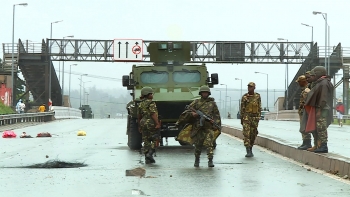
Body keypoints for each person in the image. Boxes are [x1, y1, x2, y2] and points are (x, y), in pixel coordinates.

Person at [185, 85, 221, 167]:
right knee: (198, 145)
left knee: (210, 144)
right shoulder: (196, 102)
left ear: (208, 93)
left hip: (209, 127)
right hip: (199, 127)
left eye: (206, 92)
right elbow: (187, 110)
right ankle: (197, 160)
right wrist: (193, 114)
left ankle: (210, 160)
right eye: (203, 92)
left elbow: (216, 115)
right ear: (200, 93)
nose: (205, 94)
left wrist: (216, 124)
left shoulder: (212, 104)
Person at [304, 66, 333, 153]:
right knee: (317, 127)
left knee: (321, 127)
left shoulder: (323, 83)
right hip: (321, 107)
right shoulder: (321, 82)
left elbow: (323, 98)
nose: (314, 76)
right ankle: (318, 145)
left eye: (315, 74)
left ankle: (323, 146)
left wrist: (319, 109)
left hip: (323, 108)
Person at [137, 87, 160, 164]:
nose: (152, 95)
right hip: (151, 122)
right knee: (156, 139)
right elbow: (153, 114)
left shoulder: (140, 103)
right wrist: (157, 123)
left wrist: (139, 126)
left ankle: (147, 158)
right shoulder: (151, 103)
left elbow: (139, 116)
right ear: (148, 95)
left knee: (146, 140)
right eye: (151, 94)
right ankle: (150, 154)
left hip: (143, 122)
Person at [240, 82, 261, 157]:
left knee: (253, 133)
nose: (249, 88)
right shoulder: (245, 97)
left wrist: (258, 117)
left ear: (254, 88)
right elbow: (242, 108)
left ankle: (251, 146)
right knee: (246, 133)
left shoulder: (257, 96)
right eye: (248, 87)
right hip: (247, 117)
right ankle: (248, 149)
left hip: (254, 117)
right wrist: (242, 119)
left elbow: (259, 107)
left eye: (251, 87)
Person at [296, 75, 312, 150]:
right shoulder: (305, 89)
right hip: (303, 111)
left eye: (299, 82)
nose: (299, 84)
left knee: (305, 127)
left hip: (305, 111)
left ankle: (307, 143)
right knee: (303, 127)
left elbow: (307, 101)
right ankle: (305, 142)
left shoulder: (307, 89)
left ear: (303, 81)